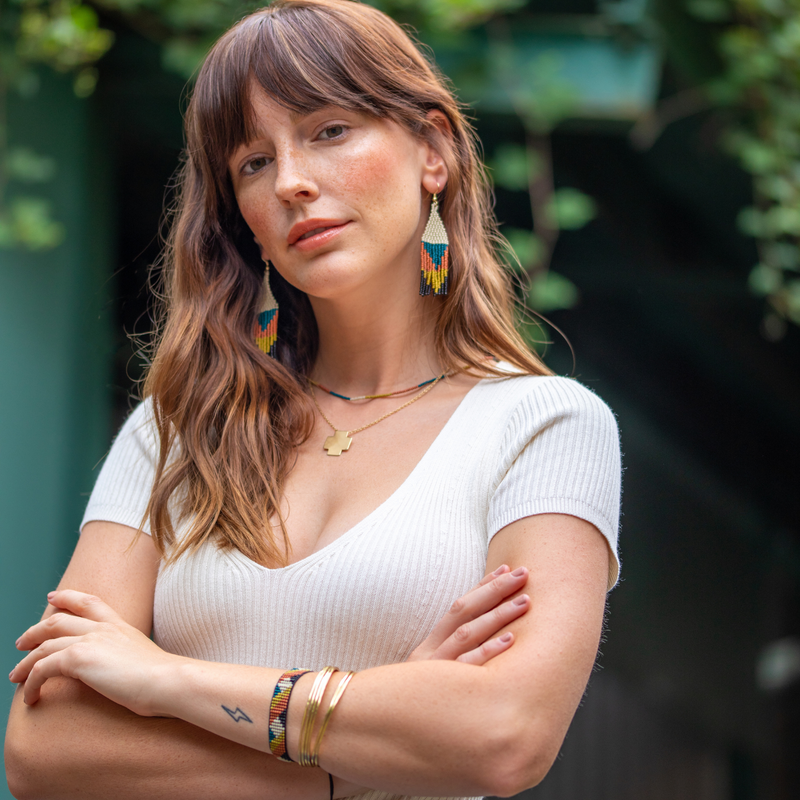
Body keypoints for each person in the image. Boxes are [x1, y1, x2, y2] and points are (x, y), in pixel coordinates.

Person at [5, 1, 621, 798]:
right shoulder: (180, 430)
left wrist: (162, 678)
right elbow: (44, 747)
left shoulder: (546, 428)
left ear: (433, 150)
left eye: (329, 131)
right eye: (252, 163)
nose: (292, 181)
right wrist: (355, 761)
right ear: (244, 220)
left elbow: (502, 735)